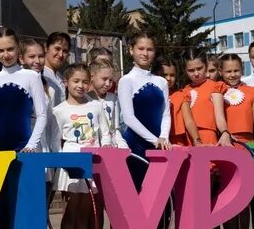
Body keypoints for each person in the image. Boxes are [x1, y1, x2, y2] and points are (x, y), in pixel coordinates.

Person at [0, 27, 50, 229]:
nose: (6, 54)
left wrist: (31, 144)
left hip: (23, 148)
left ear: (18, 48)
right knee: (1, 206)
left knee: (24, 202)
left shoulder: (31, 77)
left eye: (10, 49)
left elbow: (41, 114)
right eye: (1, 50)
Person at [52, 63, 109, 229]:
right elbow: (55, 142)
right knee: (71, 211)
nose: (81, 85)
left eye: (85, 81)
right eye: (76, 81)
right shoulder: (58, 111)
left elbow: (105, 134)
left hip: (92, 161)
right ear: (66, 83)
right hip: (70, 163)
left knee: (86, 212)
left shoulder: (96, 106)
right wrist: (60, 167)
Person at [214, 52, 254, 229]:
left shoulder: (253, 92)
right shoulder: (218, 91)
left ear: (242, 69)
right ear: (220, 72)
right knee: (227, 197)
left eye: (236, 70)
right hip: (226, 145)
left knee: (245, 198)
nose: (233, 75)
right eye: (228, 71)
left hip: (246, 146)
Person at [118, 33, 171, 189]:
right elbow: (128, 118)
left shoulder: (161, 81)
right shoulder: (126, 81)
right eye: (140, 48)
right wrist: (155, 140)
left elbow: (165, 114)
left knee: (159, 193)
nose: (145, 53)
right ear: (131, 50)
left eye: (150, 49)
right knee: (136, 191)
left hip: (159, 145)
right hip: (135, 145)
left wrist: (163, 137)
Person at [181, 54, 222, 146]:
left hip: (209, 137)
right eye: (191, 70)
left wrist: (225, 132)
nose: (196, 74)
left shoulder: (215, 86)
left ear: (206, 66)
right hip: (188, 138)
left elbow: (221, 116)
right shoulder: (184, 91)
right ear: (185, 71)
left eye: (199, 68)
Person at [87, 58, 127, 148]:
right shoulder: (84, 99)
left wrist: (123, 145)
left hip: (111, 148)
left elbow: (115, 128)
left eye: (111, 80)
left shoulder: (113, 99)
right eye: (104, 79)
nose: (108, 83)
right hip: (92, 149)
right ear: (91, 76)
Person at [42, 32, 71, 106]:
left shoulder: (60, 77)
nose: (61, 54)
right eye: (57, 49)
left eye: (65, 51)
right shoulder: (39, 75)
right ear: (46, 48)